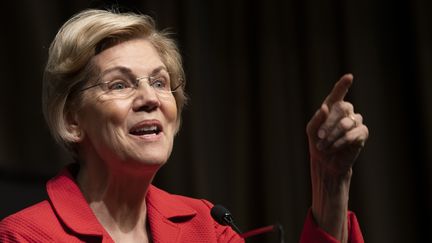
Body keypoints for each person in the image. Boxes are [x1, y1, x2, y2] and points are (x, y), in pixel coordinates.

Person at [0, 9, 368, 243]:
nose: (151, 98)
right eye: (119, 84)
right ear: (72, 119)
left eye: (160, 82)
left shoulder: (207, 227)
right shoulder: (26, 236)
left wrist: (329, 179)